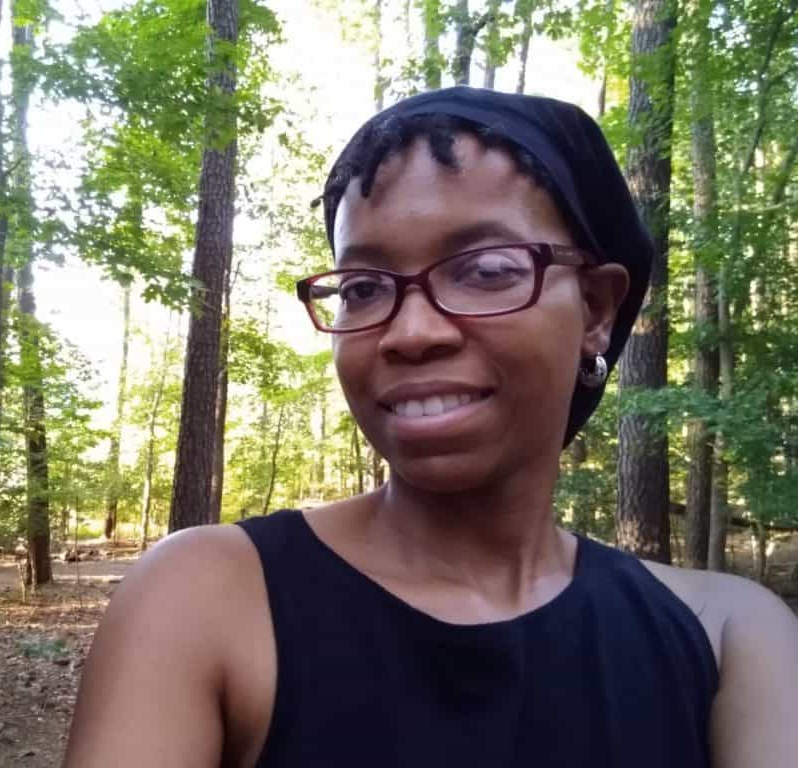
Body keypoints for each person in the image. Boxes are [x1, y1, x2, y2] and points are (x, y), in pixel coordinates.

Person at [63, 87, 798, 768]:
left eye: (485, 270)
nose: (410, 332)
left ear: (598, 311)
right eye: (363, 287)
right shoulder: (209, 596)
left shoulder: (728, 636)